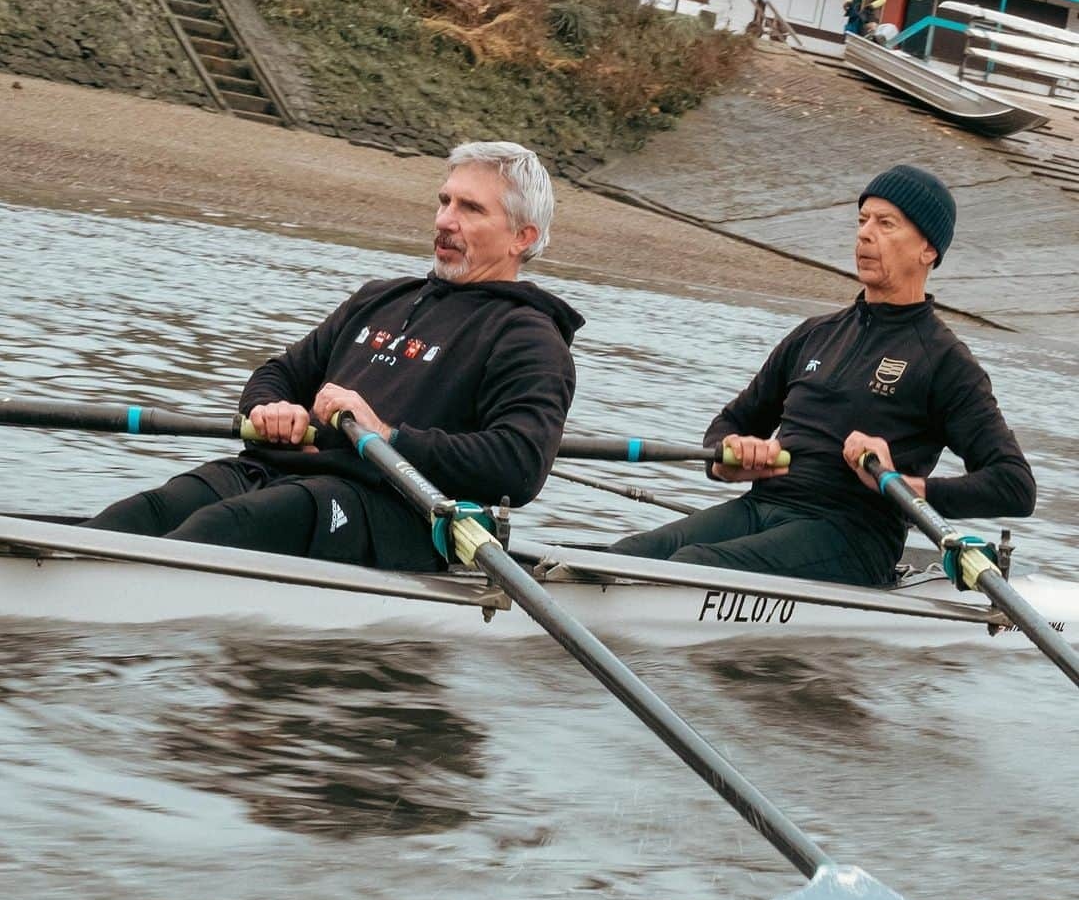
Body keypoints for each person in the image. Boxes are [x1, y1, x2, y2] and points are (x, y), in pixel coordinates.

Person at [87, 142, 582, 572]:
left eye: (470, 209)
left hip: (393, 509)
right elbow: (279, 374)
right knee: (141, 514)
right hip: (281, 472)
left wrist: (386, 436)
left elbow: (518, 465)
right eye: (444, 201)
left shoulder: (530, 337)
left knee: (219, 527)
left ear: (523, 237)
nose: (444, 221)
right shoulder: (381, 298)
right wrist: (268, 407)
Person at [609, 164, 1035, 587]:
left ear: (928, 249)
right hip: (763, 508)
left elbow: (1014, 486)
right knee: (624, 557)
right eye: (862, 220)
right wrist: (728, 459)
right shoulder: (815, 334)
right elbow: (731, 423)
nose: (865, 234)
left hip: (853, 536)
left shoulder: (945, 361)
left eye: (886, 224)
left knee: (691, 563)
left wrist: (906, 486)